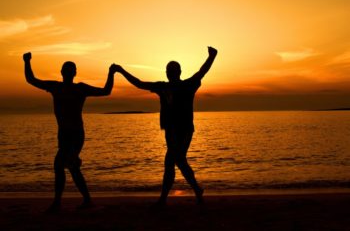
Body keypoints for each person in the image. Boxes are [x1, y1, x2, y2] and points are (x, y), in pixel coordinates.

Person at [115, 46, 217, 206]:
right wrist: (122, 71)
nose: (169, 72)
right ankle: (194, 191)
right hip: (170, 131)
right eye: (168, 70)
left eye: (172, 70)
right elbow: (139, 84)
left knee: (175, 160)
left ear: (179, 71)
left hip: (184, 130)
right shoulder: (163, 86)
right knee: (175, 161)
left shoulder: (187, 85)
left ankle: (170, 197)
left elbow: (202, 71)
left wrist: (212, 56)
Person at [23, 52, 118, 212]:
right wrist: (27, 62)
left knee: (61, 164)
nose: (68, 72)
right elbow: (31, 80)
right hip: (64, 135)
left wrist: (111, 73)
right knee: (71, 167)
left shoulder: (80, 89)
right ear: (62, 72)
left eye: (70, 69)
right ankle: (83, 200)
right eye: (66, 70)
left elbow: (106, 91)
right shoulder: (56, 87)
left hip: (76, 135)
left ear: (74, 73)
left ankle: (60, 202)